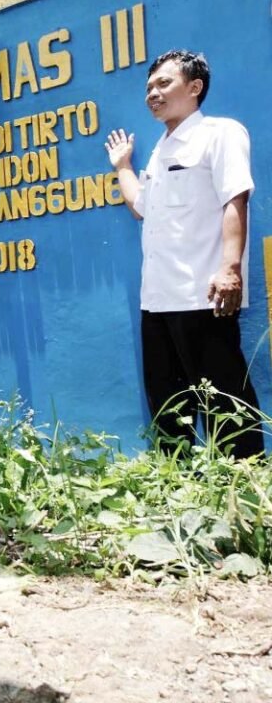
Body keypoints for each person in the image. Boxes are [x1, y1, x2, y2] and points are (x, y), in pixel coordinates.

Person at [105, 49, 263, 458]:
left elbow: (235, 198)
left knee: (225, 405)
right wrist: (122, 166)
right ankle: (178, 494)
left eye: (163, 84)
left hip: (202, 297)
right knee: (168, 410)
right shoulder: (159, 151)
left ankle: (245, 492)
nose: (152, 94)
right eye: (149, 87)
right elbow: (142, 207)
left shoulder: (220, 133)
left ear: (195, 88)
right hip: (156, 301)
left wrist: (230, 269)